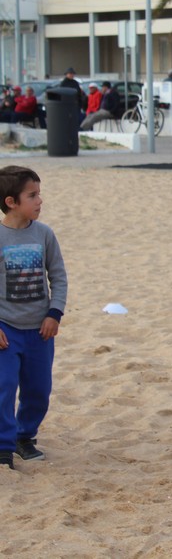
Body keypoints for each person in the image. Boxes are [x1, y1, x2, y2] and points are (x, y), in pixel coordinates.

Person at [0, 166, 68, 470]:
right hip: (6, 330)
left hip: (40, 330)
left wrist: (55, 313)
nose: (40, 200)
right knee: (4, 386)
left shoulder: (44, 234)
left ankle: (24, 437)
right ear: (11, 202)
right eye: (32, 195)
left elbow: (59, 277)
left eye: (39, 193)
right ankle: (3, 446)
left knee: (38, 391)